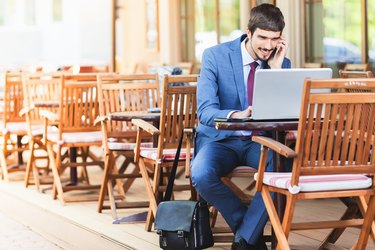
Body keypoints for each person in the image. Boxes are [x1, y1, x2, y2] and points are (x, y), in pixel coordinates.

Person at [191, 4, 291, 250]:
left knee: (282, 169)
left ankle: (244, 241)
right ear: (249, 32)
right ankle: (249, 234)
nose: (268, 46)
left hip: (259, 142)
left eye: (275, 39)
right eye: (263, 38)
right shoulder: (215, 56)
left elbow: (284, 115)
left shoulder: (281, 63)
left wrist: (276, 72)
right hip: (220, 140)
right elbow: (205, 111)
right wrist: (238, 115)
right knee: (201, 174)